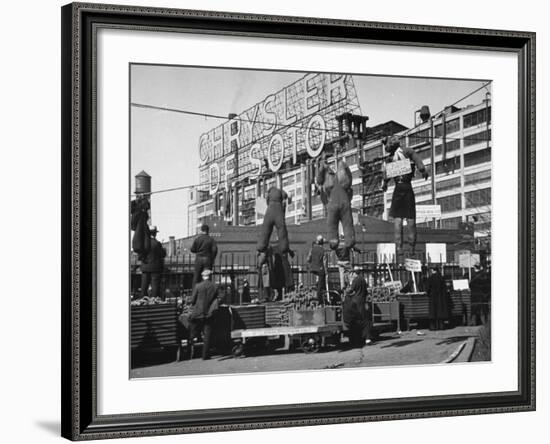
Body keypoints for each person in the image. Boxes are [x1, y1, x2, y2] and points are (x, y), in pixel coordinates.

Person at [381, 135, 429, 255]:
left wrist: (385, 184)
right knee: (411, 218)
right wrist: (423, 170)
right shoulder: (407, 151)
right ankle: (412, 247)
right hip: (408, 187)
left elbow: (385, 176)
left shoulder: (389, 159)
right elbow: (419, 162)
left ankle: (399, 247)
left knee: (398, 219)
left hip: (398, 188)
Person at [188, 269, 220, 360]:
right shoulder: (214, 286)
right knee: (207, 334)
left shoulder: (198, 286)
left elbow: (193, 300)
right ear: (210, 276)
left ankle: (191, 347)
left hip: (197, 313)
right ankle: (205, 355)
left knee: (193, 329)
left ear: (203, 277)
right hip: (209, 313)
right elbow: (217, 299)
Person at [342, 268, 373, 347]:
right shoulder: (363, 279)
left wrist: (346, 290)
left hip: (356, 302)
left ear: (354, 273)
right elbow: (366, 291)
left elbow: (351, 290)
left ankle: (366, 338)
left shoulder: (356, 280)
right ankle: (366, 337)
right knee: (365, 319)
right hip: (362, 301)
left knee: (361, 320)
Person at [139, 226, 166, 299]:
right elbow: (163, 254)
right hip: (155, 268)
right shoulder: (157, 243)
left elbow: (140, 256)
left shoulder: (144, 243)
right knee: (155, 286)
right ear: (155, 234)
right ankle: (154, 301)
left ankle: (143, 301)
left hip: (145, 267)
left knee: (144, 286)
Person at [190, 224, 218, 288]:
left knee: (196, 277)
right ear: (208, 231)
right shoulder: (211, 239)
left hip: (198, 259)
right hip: (208, 259)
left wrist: (198, 250)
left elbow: (192, 249)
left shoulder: (197, 239)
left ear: (201, 230)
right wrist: (212, 258)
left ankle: (195, 293)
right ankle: (207, 294)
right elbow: (215, 250)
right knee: (207, 277)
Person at [307, 235, 328, 303]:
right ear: (322, 243)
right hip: (320, 269)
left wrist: (312, 263)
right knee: (321, 283)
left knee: (318, 280)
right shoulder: (323, 250)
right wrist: (326, 272)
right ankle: (319, 298)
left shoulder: (312, 249)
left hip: (313, 268)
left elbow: (308, 259)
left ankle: (316, 285)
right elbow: (325, 262)